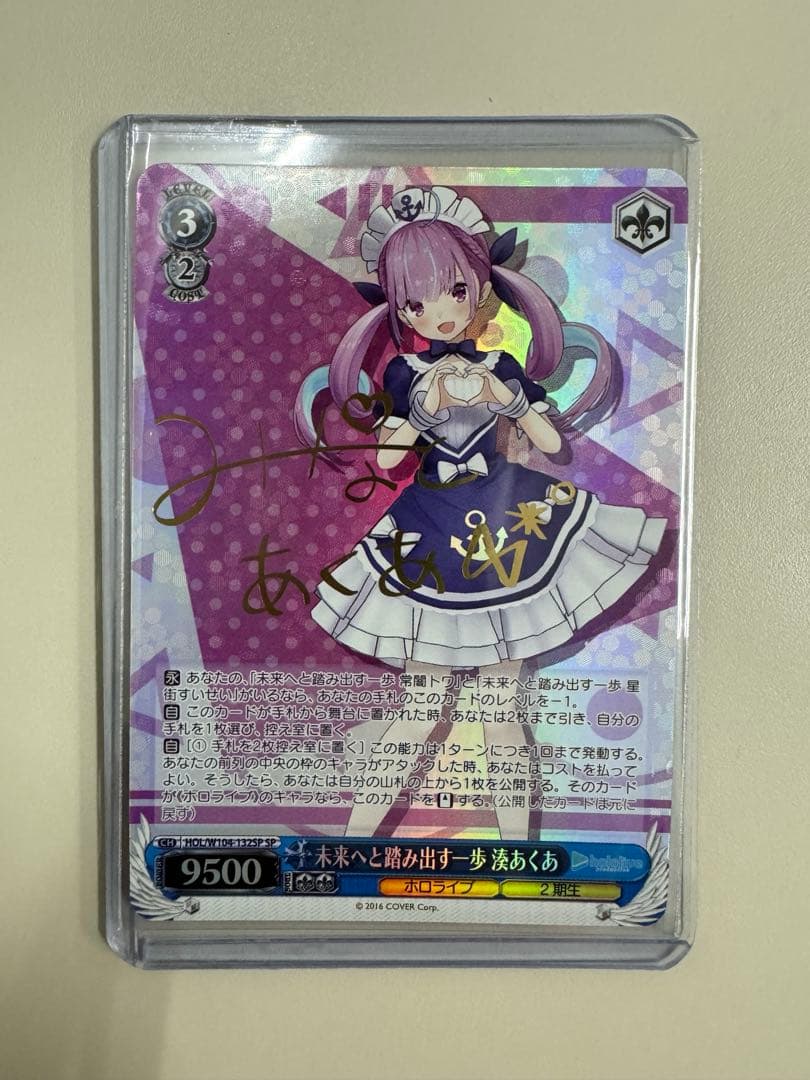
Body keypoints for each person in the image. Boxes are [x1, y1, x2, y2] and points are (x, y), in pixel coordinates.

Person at [294, 186, 665, 838]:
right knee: (419, 709)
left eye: (454, 291)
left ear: (479, 286)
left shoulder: (501, 363)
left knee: (500, 710)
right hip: (430, 528)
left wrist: (510, 400)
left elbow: (552, 442)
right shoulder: (405, 373)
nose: (438, 312)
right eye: (415, 302)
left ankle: (517, 849)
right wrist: (420, 412)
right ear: (397, 307)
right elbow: (387, 457)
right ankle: (356, 842)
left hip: (505, 523)